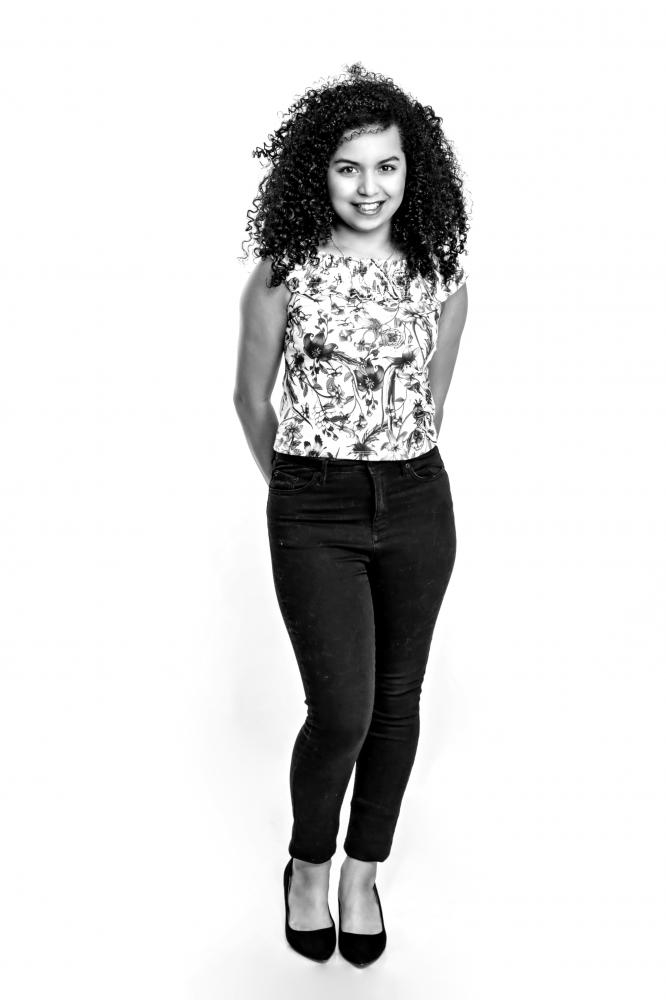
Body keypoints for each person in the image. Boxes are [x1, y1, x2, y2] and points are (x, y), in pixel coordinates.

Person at [233, 63, 470, 966]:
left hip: (416, 501)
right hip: (312, 504)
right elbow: (250, 399)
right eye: (348, 167)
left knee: (398, 704)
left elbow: (431, 403)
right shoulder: (284, 273)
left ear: (414, 171)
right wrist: (297, 491)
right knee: (342, 711)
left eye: (387, 166)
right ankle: (307, 865)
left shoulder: (441, 275)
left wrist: (390, 472)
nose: (369, 188)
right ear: (317, 173)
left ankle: (362, 872)